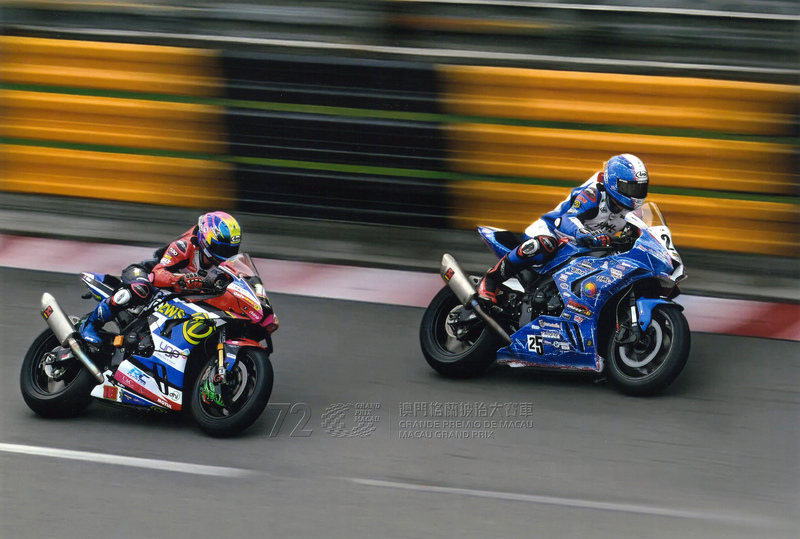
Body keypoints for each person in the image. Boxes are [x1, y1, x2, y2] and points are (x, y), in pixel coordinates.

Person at [477, 153, 649, 305]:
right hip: (553, 232)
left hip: (582, 249)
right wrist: (584, 234)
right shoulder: (595, 194)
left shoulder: (633, 213)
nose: (636, 194)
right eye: (631, 187)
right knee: (545, 244)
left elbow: (644, 235)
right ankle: (491, 280)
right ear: (614, 183)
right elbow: (567, 219)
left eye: (640, 188)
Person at [79, 211, 243, 345]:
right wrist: (182, 280)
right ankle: (91, 323)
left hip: (176, 296)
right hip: (145, 274)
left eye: (231, 250)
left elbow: (238, 283)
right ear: (206, 239)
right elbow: (157, 274)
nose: (226, 254)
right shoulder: (185, 246)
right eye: (222, 248)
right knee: (140, 289)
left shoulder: (225, 265)